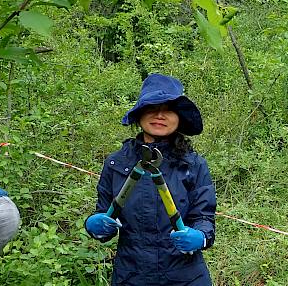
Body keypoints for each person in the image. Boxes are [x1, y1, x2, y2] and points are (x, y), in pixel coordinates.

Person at [85, 73, 216, 285]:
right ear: (140, 114)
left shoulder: (194, 165)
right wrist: (95, 226)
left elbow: (204, 217)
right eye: (152, 107)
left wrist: (200, 236)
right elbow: (104, 214)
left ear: (179, 117)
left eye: (168, 109)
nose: (160, 115)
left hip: (185, 277)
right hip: (130, 276)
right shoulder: (116, 163)